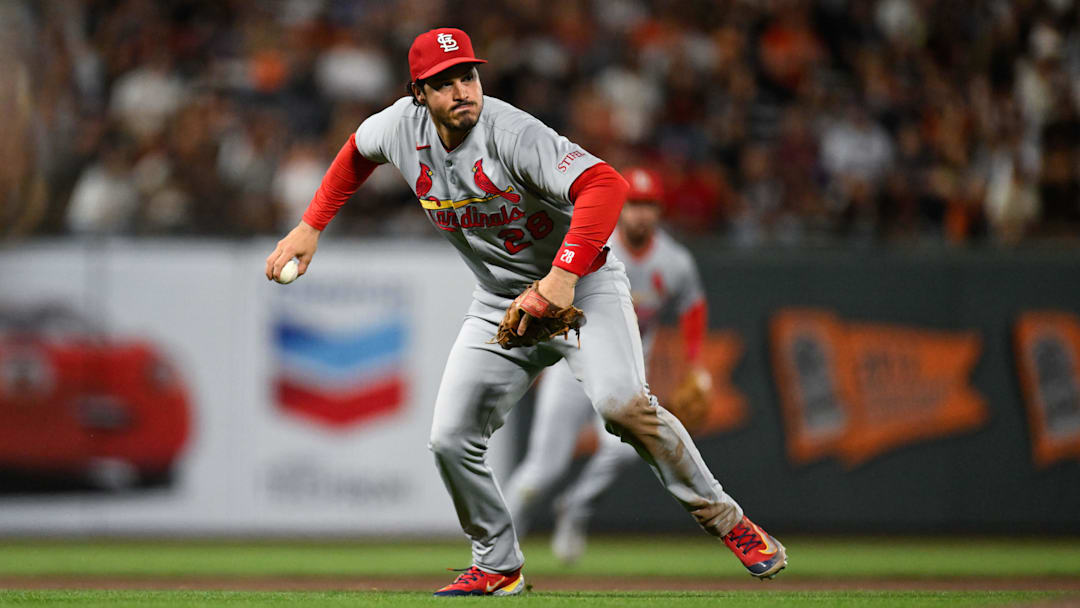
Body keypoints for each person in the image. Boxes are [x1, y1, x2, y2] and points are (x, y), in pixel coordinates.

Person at [265, 28, 786, 597]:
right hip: (498, 302)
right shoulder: (397, 127)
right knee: (450, 438)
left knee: (623, 406)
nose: (463, 90)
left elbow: (604, 186)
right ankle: (497, 562)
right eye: (445, 83)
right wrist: (310, 225)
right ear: (418, 93)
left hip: (583, 287)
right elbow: (354, 154)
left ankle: (731, 523)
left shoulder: (510, 132)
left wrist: (560, 281)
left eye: (468, 75)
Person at [503, 167, 715, 564]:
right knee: (542, 470)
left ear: (659, 211)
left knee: (624, 450)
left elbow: (693, 307)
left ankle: (576, 506)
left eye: (649, 205)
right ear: (620, 206)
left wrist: (695, 364)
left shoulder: (674, 262)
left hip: (622, 371)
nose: (641, 214)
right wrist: (534, 359)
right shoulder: (594, 244)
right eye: (634, 204)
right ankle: (498, 545)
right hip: (570, 365)